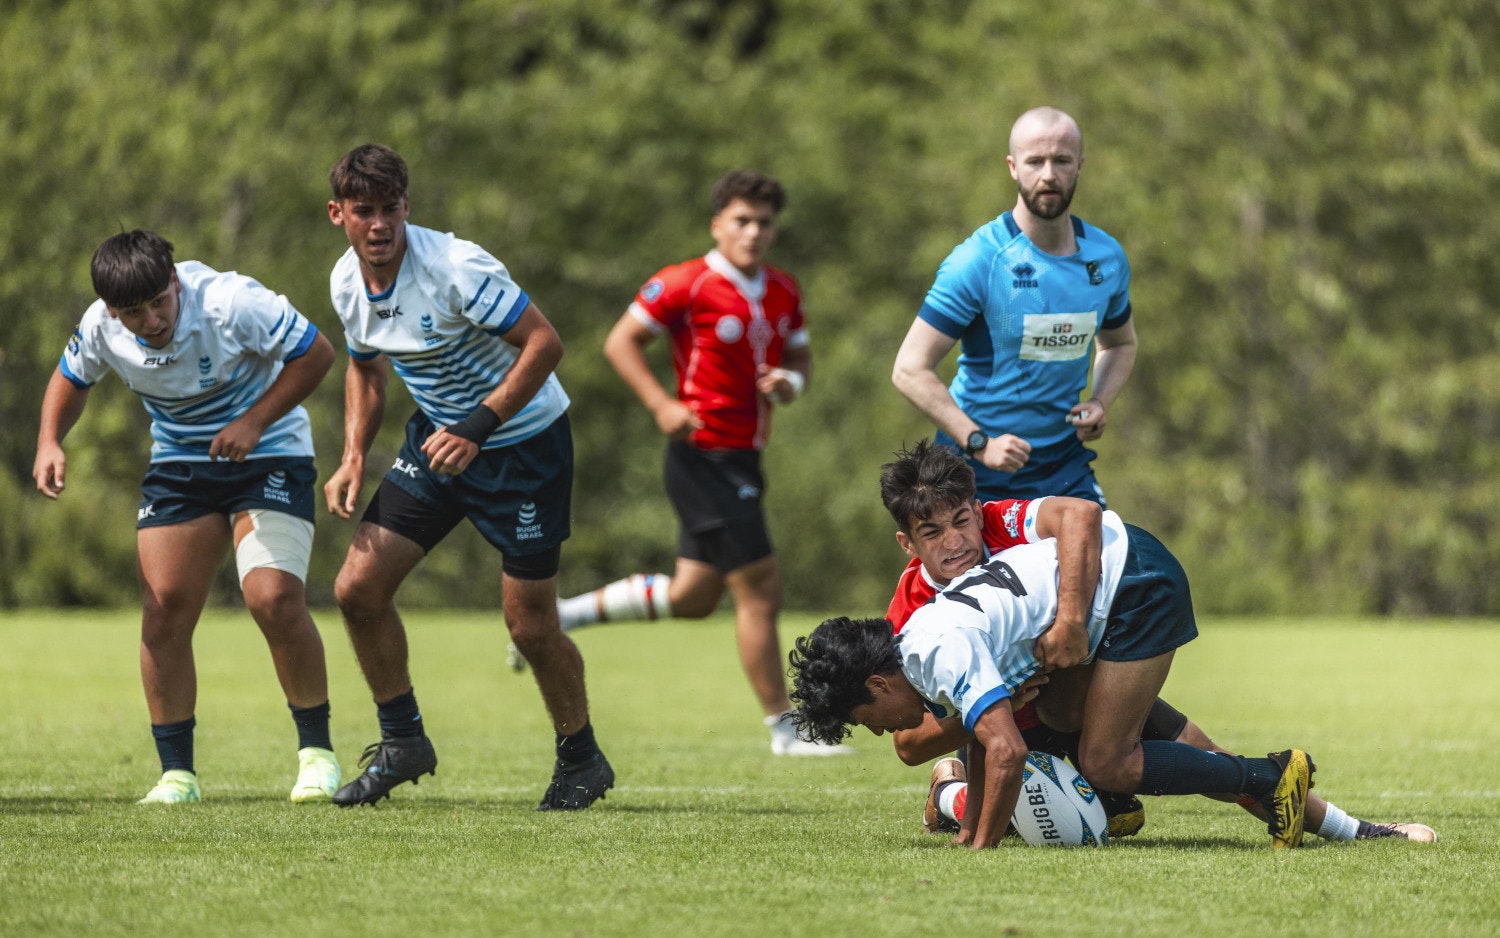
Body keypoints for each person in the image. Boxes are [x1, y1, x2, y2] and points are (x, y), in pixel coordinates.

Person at [790, 458, 1430, 849]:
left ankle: (1344, 823)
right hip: (1036, 695)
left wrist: (1068, 625)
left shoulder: (999, 529)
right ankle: (962, 797)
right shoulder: (913, 616)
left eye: (963, 520)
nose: (958, 542)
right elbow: (914, 739)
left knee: (1124, 755)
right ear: (909, 543)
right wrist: (1001, 701)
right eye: (933, 532)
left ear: (976, 511)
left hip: (1118, 606)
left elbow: (1082, 517)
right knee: (1083, 766)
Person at [321, 144, 613, 809]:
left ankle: (582, 758)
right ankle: (403, 742)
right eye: (362, 211)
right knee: (357, 589)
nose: (378, 225)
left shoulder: (455, 266)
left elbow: (545, 343)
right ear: (337, 214)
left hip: (523, 448)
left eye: (389, 209)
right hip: (439, 443)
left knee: (529, 626)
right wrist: (352, 455)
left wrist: (478, 426)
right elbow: (366, 370)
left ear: (407, 208)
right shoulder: (346, 282)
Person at [541, 170, 846, 756]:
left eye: (764, 222)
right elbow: (620, 341)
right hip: (704, 457)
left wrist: (791, 383)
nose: (754, 232)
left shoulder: (782, 290)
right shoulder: (687, 282)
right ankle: (787, 730)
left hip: (745, 458)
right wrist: (661, 404)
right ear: (717, 224)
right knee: (761, 589)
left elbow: (802, 356)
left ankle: (564, 615)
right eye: (742, 220)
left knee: (694, 597)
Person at [33, 230, 340, 805]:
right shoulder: (101, 325)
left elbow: (317, 353)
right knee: (165, 607)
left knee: (272, 597)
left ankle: (317, 756)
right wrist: (50, 441)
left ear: (175, 281)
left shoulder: (232, 303)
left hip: (269, 449)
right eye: (132, 312)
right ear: (109, 309)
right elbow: (70, 379)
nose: (150, 319)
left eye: (159, 301)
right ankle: (178, 775)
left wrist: (252, 422)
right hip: (180, 461)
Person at [892, 106, 1137, 505]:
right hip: (973, 465)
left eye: (1061, 161)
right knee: (980, 571)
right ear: (1012, 167)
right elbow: (908, 369)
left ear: (1080, 166)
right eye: (1035, 161)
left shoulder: (1105, 259)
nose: (1048, 175)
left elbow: (1119, 344)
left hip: (1063, 463)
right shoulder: (979, 260)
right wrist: (979, 442)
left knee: (1102, 563)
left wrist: (1099, 400)